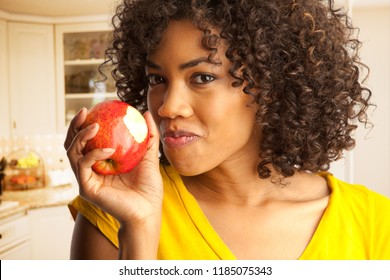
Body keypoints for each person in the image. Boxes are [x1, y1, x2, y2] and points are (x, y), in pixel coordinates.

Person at [64, 0, 390, 260]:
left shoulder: (375, 223)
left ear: (271, 85)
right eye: (157, 79)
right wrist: (138, 229)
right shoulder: (114, 211)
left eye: (203, 77)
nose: (167, 107)